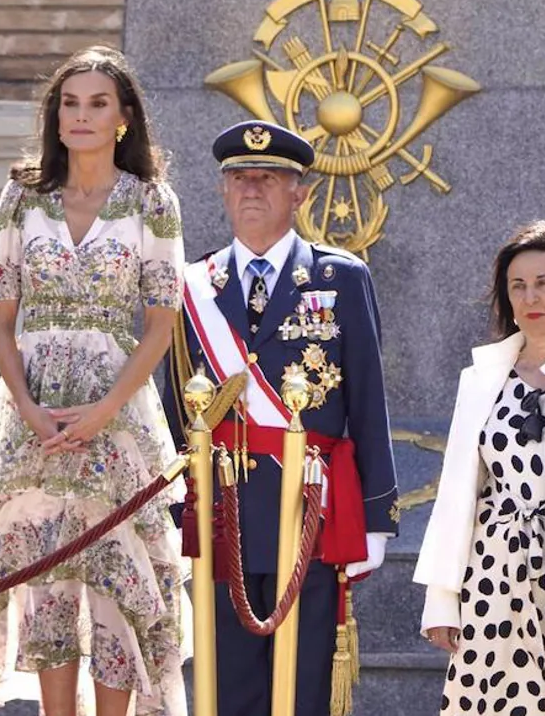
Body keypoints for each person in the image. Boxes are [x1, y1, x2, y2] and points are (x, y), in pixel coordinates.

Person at [0, 45, 190, 716]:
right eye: (69, 103)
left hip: (117, 415)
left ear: (124, 118)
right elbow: (0, 322)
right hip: (32, 416)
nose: (81, 116)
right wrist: (27, 407)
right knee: (45, 590)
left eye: (98, 103)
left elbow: (161, 326)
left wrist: (104, 410)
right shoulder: (22, 195)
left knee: (114, 581)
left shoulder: (152, 200)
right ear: (55, 118)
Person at [159, 120, 399, 716]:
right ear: (221, 190)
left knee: (302, 684)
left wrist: (376, 518)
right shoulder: (194, 287)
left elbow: (368, 399)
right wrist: (169, 512)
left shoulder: (339, 278)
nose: (251, 190)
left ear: (300, 193)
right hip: (221, 510)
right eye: (239, 178)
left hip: (309, 509)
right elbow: (173, 409)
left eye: (268, 179)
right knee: (228, 684)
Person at [415, 220, 545, 714]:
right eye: (517, 285)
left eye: (544, 282)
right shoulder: (482, 379)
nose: (531, 296)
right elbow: (457, 498)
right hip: (493, 574)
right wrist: (442, 600)